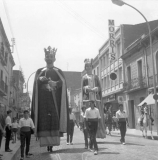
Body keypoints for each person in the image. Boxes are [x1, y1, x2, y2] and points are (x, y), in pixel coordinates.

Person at [31, 46, 69, 152]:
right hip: (43, 101)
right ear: (44, 58)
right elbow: (35, 84)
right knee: (44, 121)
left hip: (54, 100)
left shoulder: (58, 71)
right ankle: (46, 143)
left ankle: (52, 144)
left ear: (54, 58)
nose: (49, 58)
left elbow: (63, 83)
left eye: (51, 56)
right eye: (47, 56)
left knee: (54, 120)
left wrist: (56, 83)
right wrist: (39, 79)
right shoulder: (39, 71)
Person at [81, 58, 106, 139]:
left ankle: (98, 133)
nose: (88, 68)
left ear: (92, 67)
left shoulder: (96, 77)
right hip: (88, 98)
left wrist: (97, 89)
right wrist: (86, 88)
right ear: (85, 68)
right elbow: (82, 88)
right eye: (87, 66)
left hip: (95, 98)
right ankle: (88, 135)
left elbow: (99, 87)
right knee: (89, 116)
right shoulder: (84, 77)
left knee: (97, 115)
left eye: (90, 66)